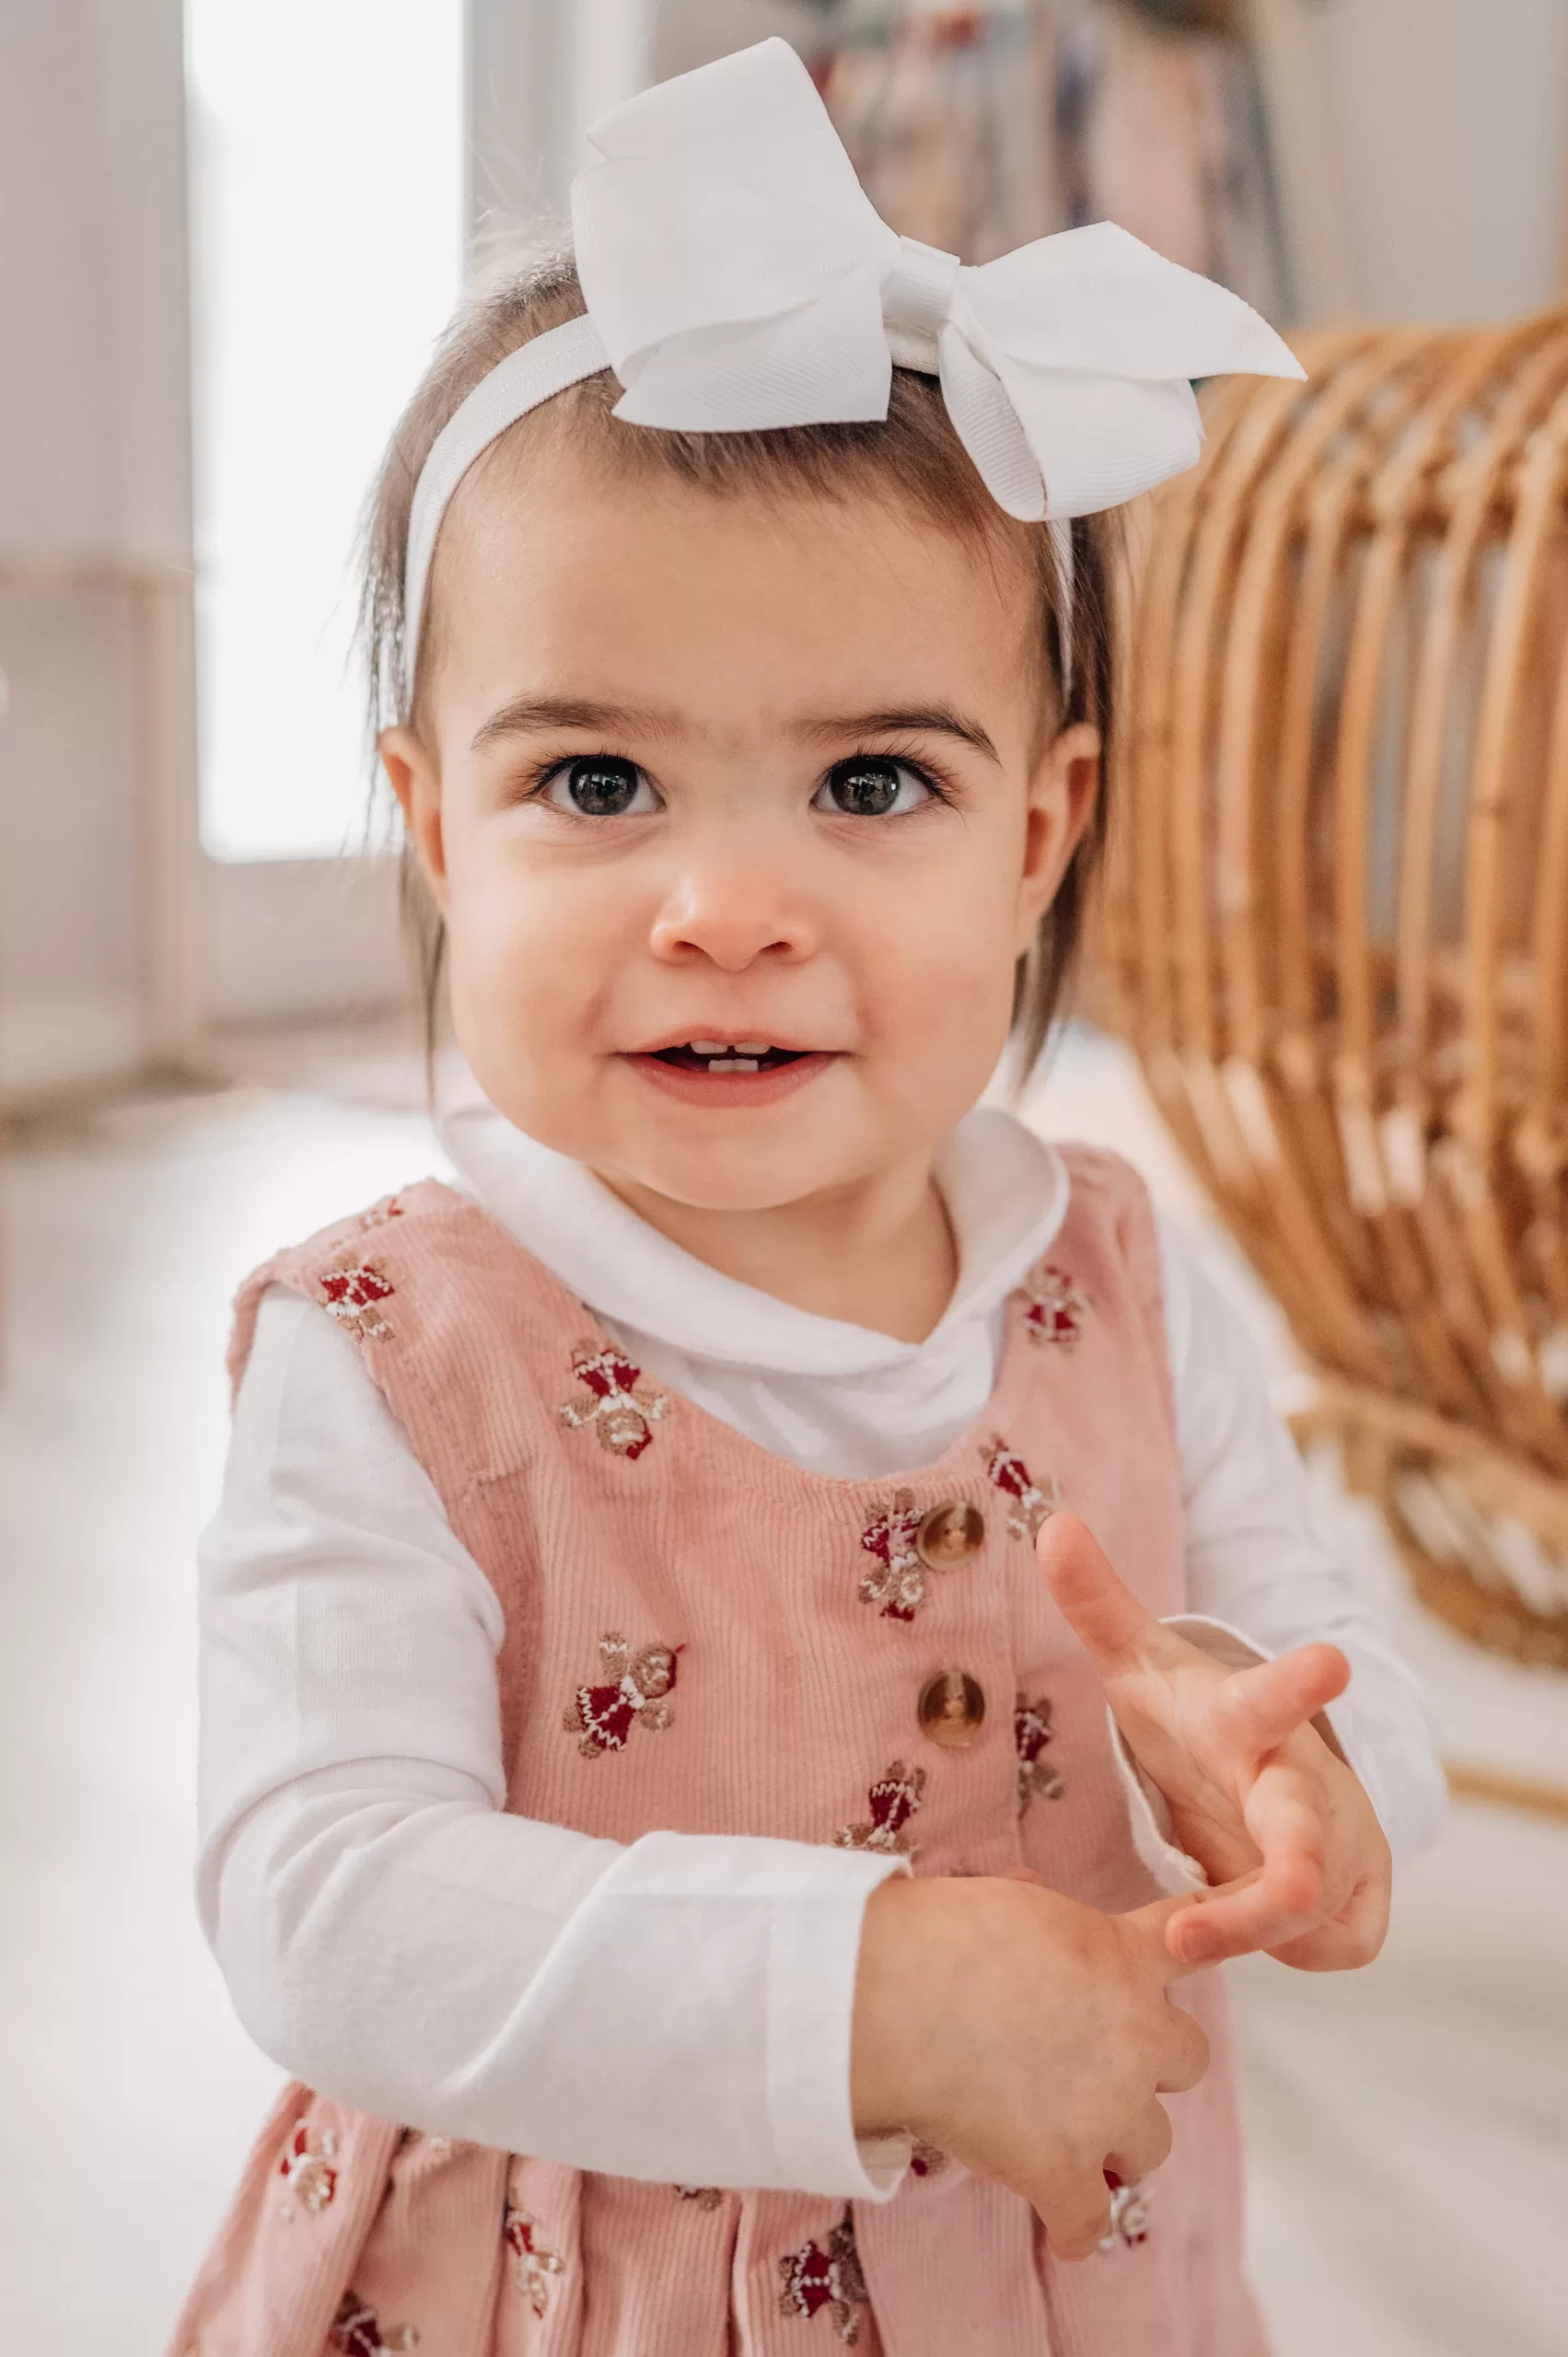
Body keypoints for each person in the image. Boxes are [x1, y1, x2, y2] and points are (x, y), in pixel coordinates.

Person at [173, 40, 1446, 2357]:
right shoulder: (390, 1354)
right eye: (595, 778)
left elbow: (1290, 1636)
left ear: (1039, 830)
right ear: (439, 829)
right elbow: (323, 1894)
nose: (726, 904)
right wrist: (863, 1987)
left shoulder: (1122, 1281)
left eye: (871, 777)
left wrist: (1301, 1793)